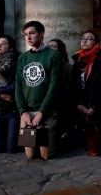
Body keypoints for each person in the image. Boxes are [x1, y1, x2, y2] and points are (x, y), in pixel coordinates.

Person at [16, 21, 65, 160]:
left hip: (48, 111)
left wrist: (41, 113)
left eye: (32, 33)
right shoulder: (23, 57)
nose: (28, 37)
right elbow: (18, 86)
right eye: (26, 34)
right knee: (31, 155)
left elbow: (54, 87)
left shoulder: (53, 56)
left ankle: (63, 137)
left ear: (41, 34)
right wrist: (23, 112)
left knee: (46, 155)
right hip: (28, 112)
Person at [69, 30, 101, 156]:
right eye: (83, 38)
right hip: (81, 104)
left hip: (97, 106)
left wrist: (95, 107)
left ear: (97, 43)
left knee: (96, 145)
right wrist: (77, 104)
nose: (84, 40)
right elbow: (73, 85)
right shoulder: (78, 60)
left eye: (89, 38)